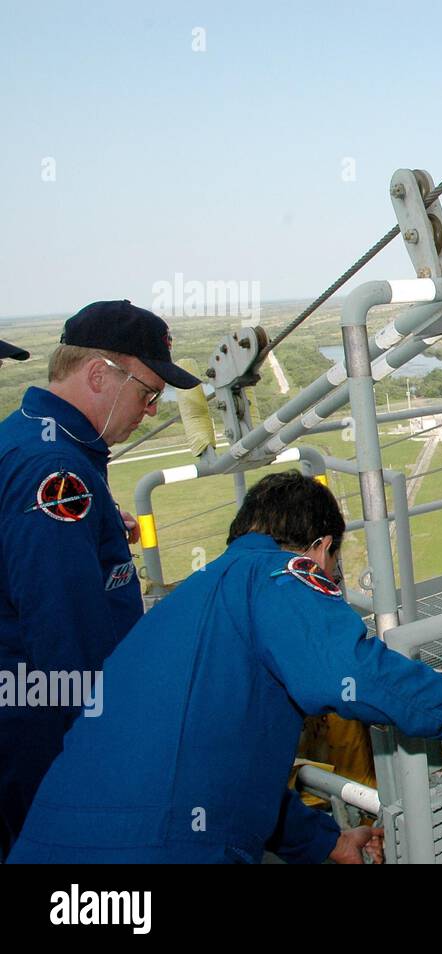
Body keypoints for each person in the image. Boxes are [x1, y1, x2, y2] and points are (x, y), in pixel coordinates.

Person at [8, 472, 442, 863]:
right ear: (320, 549)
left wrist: (323, 843)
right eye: (333, 565)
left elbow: (226, 768)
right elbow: (350, 670)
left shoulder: (186, 602)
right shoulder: (274, 573)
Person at [0, 300, 202, 860]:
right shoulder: (56, 472)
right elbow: (63, 635)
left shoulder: (27, 441)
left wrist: (105, 529)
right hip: (45, 726)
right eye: (147, 392)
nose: (149, 409)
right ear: (98, 374)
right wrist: (111, 744)